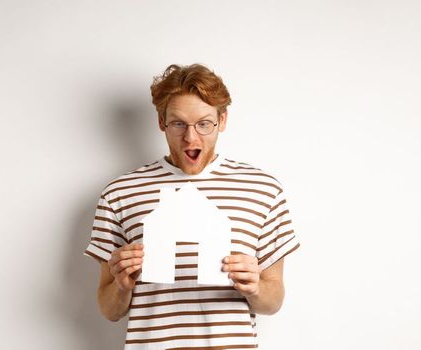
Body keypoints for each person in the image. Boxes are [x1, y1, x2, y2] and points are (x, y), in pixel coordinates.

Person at [84, 63, 300, 349]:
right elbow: (108, 309)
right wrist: (122, 285)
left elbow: (273, 302)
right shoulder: (120, 193)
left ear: (222, 121)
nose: (191, 138)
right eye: (178, 123)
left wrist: (256, 286)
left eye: (203, 123)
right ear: (161, 122)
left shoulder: (263, 189)